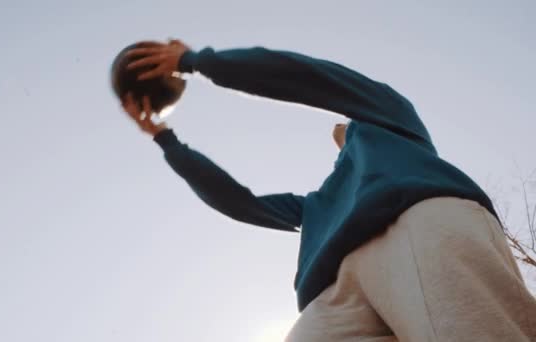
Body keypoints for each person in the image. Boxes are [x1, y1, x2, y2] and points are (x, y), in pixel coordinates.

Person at [121, 39, 536, 341]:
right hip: (337, 288)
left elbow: (305, 77)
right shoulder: (321, 204)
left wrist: (194, 60)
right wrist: (164, 138)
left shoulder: (391, 116)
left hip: (416, 217)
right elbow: (238, 202)